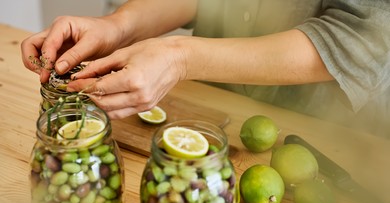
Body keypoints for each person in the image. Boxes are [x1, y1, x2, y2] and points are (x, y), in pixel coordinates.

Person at [21, 0, 390, 138]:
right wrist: (118, 26)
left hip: (335, 141)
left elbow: (356, 39)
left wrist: (180, 57)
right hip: (210, 113)